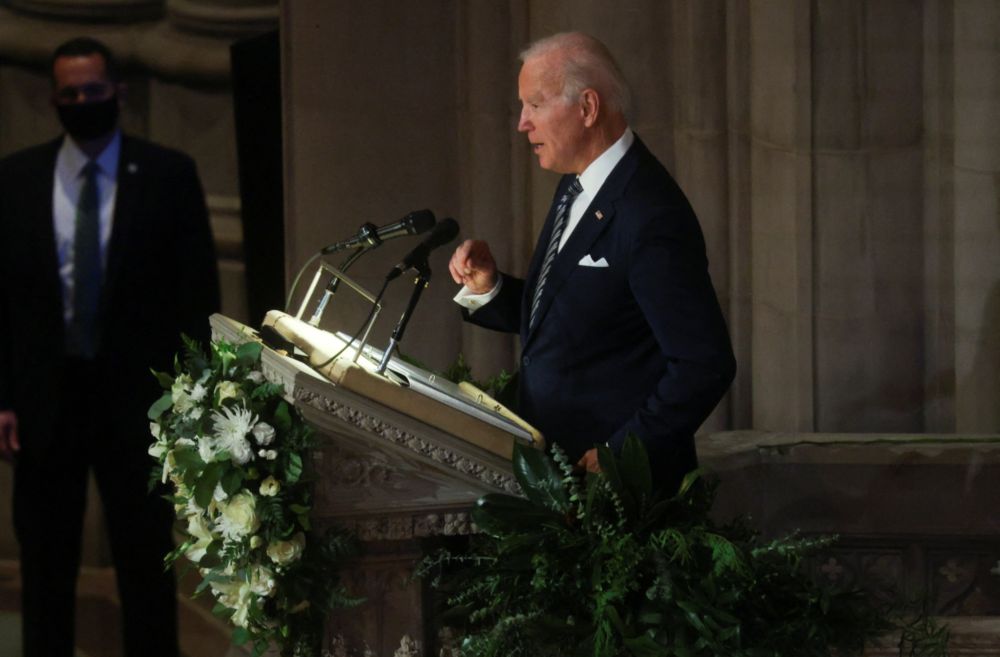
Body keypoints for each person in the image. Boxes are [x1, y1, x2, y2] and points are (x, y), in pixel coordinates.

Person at [0, 37, 220, 657]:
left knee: (145, 565)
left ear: (118, 93)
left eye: (93, 91)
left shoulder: (167, 174)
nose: (81, 102)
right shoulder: (16, 179)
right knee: (44, 567)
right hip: (46, 401)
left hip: (139, 406)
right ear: (53, 100)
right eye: (68, 94)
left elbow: (196, 292)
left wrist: (191, 397)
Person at [449, 32, 735, 492]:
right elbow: (579, 315)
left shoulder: (649, 213)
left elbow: (704, 363)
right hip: (557, 473)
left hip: (616, 495)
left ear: (587, 108)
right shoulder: (579, 182)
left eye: (535, 105)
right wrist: (491, 289)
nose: (523, 123)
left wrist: (621, 453)